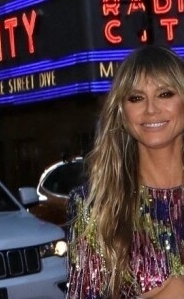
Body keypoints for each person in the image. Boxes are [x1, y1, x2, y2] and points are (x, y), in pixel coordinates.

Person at [66, 45, 184, 299]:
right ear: (121, 111)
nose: (151, 109)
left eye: (165, 93)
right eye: (136, 98)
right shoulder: (97, 207)